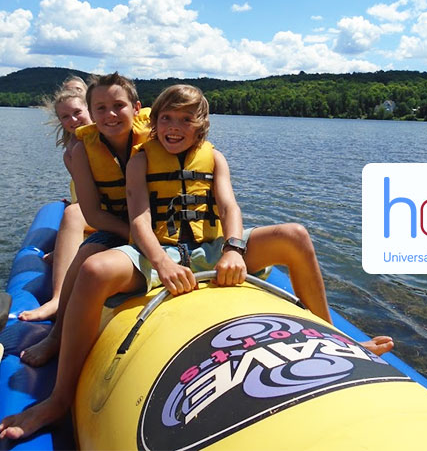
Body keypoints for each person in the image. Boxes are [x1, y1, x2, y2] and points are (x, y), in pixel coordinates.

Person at [0, 84, 394, 440]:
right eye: (166, 119)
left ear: (201, 124)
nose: (174, 127)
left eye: (185, 120)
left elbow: (228, 206)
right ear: (152, 123)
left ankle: (338, 340)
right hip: (165, 250)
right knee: (93, 268)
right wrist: (160, 261)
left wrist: (234, 249)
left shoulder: (215, 158)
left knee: (295, 236)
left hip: (210, 244)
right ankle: (60, 398)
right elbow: (138, 217)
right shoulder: (140, 160)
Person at [20, 73, 152, 367]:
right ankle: (57, 333)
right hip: (120, 225)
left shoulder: (153, 140)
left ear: (136, 107)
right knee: (88, 252)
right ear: (94, 114)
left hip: (160, 226)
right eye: (101, 108)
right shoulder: (80, 151)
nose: (110, 115)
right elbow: (92, 212)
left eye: (118, 105)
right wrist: (136, 236)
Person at [20, 77, 95, 323]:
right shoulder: (71, 152)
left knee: (73, 214)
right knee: (73, 213)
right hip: (94, 210)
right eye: (66, 116)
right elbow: (87, 195)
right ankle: (58, 297)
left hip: (110, 209)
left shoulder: (110, 136)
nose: (73, 120)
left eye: (77, 112)